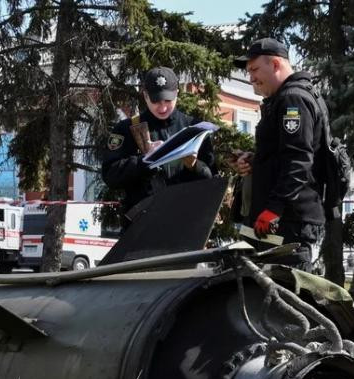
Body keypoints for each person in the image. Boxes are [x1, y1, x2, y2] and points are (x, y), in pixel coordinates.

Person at [233, 38, 328, 272]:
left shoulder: (292, 99)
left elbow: (298, 160)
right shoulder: (282, 99)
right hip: (274, 220)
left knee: (286, 297)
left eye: (255, 70)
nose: (251, 78)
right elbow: (283, 155)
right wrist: (254, 161)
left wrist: (274, 208)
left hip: (285, 221)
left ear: (275, 64)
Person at [101, 66, 216, 228]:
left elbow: (212, 180)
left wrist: (194, 165)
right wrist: (144, 162)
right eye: (156, 101)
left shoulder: (195, 128)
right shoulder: (126, 129)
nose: (162, 107)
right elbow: (110, 175)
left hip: (186, 224)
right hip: (142, 225)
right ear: (145, 96)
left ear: (177, 93)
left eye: (168, 100)